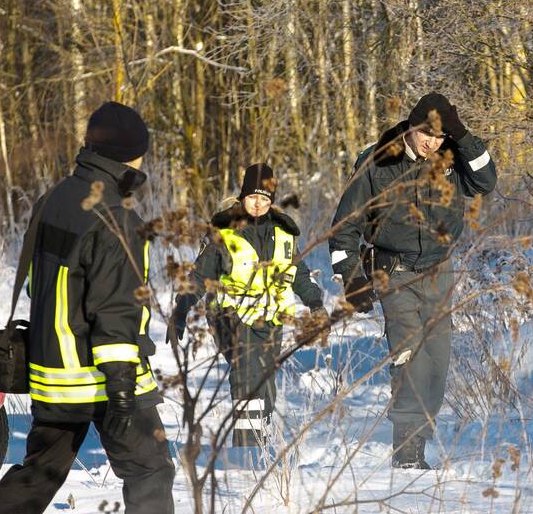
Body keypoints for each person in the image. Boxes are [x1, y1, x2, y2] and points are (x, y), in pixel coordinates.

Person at [0, 102, 174, 514]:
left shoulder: (56, 197)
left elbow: (39, 285)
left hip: (53, 373)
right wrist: (122, 392)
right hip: (104, 378)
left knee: (38, 472)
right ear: (130, 154)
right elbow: (115, 309)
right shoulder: (117, 218)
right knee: (150, 471)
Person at [329, 92, 497, 469]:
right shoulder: (376, 162)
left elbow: (486, 181)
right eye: (427, 135)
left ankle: (417, 444)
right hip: (394, 273)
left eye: (440, 137)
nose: (432, 143)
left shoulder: (451, 157)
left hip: (440, 271)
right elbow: (343, 227)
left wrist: (464, 136)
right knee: (410, 357)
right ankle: (406, 454)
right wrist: (352, 279)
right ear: (411, 126)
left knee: (437, 361)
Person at [171, 163, 326, 447]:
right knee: (246, 375)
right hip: (231, 316)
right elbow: (200, 274)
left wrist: (315, 303)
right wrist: (181, 310)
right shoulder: (224, 232)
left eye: (265, 199)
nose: (258, 204)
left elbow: (298, 274)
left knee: (264, 383)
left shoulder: (283, 234)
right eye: (253, 197)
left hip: (271, 320)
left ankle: (260, 442)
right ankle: (247, 448)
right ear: (242, 197)